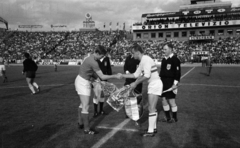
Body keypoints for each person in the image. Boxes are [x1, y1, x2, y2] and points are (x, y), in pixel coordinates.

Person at [74, 45, 121, 135]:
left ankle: (80, 123)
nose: (102, 58)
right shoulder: (93, 62)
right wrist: (115, 75)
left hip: (82, 80)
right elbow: (102, 76)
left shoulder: (91, 57)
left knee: (82, 104)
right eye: (102, 56)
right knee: (86, 106)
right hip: (83, 82)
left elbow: (91, 72)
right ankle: (87, 129)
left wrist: (97, 79)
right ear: (97, 53)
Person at [120, 44, 163, 137]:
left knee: (151, 108)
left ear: (137, 52)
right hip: (153, 84)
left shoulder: (146, 59)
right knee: (153, 108)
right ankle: (153, 128)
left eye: (133, 53)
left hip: (155, 84)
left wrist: (135, 83)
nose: (132, 55)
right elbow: (135, 74)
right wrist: (123, 75)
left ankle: (150, 131)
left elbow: (146, 75)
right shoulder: (142, 61)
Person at [159, 43, 181, 123]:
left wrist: (175, 84)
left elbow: (177, 73)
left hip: (171, 83)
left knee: (171, 101)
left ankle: (174, 118)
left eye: (165, 49)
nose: (163, 51)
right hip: (162, 82)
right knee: (163, 100)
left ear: (170, 49)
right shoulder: (164, 59)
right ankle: (168, 118)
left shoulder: (175, 59)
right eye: (163, 49)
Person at [123, 53, 142, 118]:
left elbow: (141, 70)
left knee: (136, 98)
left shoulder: (139, 59)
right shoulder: (128, 58)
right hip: (128, 80)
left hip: (137, 81)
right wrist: (127, 72)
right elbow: (125, 67)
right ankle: (127, 112)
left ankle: (134, 113)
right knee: (126, 97)